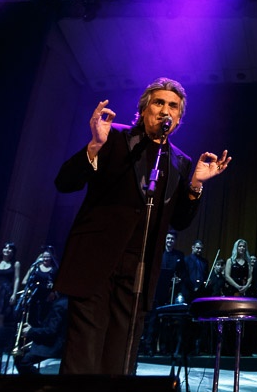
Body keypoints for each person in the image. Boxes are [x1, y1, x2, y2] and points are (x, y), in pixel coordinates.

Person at [53, 77, 231, 375]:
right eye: (159, 103)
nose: (165, 111)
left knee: (120, 355)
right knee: (84, 351)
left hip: (140, 266)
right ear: (144, 108)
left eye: (173, 106)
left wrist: (196, 185)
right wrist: (95, 145)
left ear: (179, 118)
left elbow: (180, 221)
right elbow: (65, 182)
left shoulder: (180, 161)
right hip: (94, 260)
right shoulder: (114, 137)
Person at [13, 291, 68, 375]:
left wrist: (31, 331)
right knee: (20, 356)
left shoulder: (60, 305)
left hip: (54, 345)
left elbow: (51, 331)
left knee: (22, 360)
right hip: (55, 341)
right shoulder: (63, 302)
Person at [0, 243, 21, 329]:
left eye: (10, 248)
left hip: (6, 293)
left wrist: (14, 294)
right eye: (5, 248)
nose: (7, 250)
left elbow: (17, 279)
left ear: (13, 252)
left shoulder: (15, 264)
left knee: (0, 317)